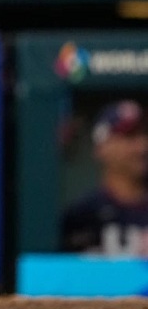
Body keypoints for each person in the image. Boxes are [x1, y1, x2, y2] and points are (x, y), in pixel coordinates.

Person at [61, 100, 148, 256]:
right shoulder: (82, 216)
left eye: (145, 134)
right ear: (102, 147)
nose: (143, 146)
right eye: (130, 137)